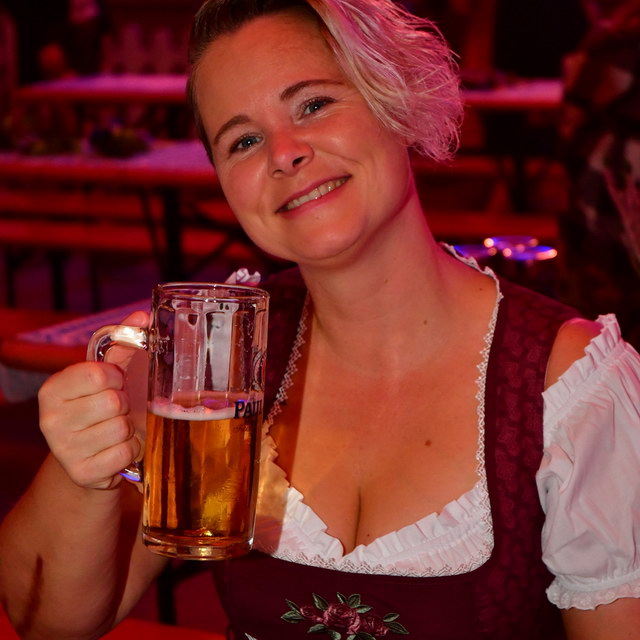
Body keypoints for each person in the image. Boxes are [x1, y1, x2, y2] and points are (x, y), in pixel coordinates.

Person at [1, 0, 640, 638]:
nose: (283, 153)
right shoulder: (217, 356)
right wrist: (85, 466)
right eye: (244, 140)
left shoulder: (572, 386)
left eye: (313, 105)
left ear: (397, 98)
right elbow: (49, 625)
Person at [557, 0, 640, 350]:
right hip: (615, 180)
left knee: (605, 305)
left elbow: (574, 111)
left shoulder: (616, 42)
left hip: (613, 181)